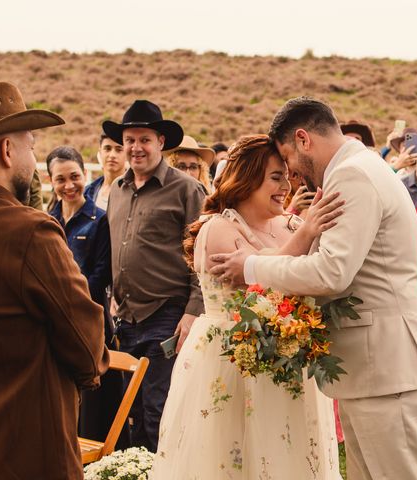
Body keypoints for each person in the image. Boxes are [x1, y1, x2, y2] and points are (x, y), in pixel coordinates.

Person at [210, 97, 417, 480]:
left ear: (303, 139)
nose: (292, 174)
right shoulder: (361, 168)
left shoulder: (353, 175)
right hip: (376, 366)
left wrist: (251, 266)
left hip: (389, 364)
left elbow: (331, 272)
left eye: (287, 159)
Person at [150, 134, 344, 480]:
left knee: (287, 453)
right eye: (275, 177)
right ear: (248, 177)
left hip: (287, 362)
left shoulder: (291, 224)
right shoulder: (218, 228)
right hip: (228, 365)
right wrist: (306, 233)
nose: (286, 186)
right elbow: (256, 280)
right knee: (229, 459)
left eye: (287, 176)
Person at [0, 81, 108, 479]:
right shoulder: (30, 232)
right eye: (30, 145)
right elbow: (85, 338)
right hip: (27, 445)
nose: (33, 159)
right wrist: (94, 368)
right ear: (7, 151)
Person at [103, 100, 206, 451]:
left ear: (161, 142)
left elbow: (203, 254)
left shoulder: (186, 189)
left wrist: (193, 310)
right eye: (129, 140)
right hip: (126, 318)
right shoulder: (116, 190)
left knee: (159, 410)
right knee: (130, 414)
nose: (135, 148)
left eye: (143, 139)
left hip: (167, 315)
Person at [46, 145, 125, 446]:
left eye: (74, 177)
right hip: (54, 327)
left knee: (96, 415)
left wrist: (65, 298)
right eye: (60, 179)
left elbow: (101, 275)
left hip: (92, 324)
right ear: (51, 181)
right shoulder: (46, 221)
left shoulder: (99, 219)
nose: (69, 186)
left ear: (84, 174)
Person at [85, 134, 127, 209]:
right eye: (107, 149)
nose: (112, 155)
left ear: (127, 153)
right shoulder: (88, 192)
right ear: (100, 152)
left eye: (119, 150)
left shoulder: (135, 191)